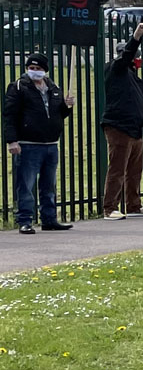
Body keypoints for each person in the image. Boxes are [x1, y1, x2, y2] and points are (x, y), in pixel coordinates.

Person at [4, 52, 75, 234]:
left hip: (51, 143)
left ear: (45, 70)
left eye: (38, 68)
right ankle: (25, 220)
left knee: (48, 184)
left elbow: (58, 114)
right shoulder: (19, 87)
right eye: (31, 68)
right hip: (28, 143)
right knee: (26, 184)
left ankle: (49, 219)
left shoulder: (53, 87)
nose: (34, 71)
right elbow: (9, 115)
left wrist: (67, 106)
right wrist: (12, 141)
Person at [100, 22, 143, 220]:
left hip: (135, 128)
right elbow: (125, 57)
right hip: (119, 126)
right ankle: (110, 207)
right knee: (117, 169)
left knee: (134, 170)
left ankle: (133, 205)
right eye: (134, 55)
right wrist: (137, 35)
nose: (136, 58)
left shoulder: (132, 75)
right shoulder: (116, 68)